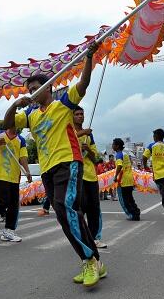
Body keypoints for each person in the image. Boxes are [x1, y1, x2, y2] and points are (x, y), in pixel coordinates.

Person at [3, 40, 106, 288]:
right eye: (30, 90)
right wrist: (14, 105)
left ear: (48, 87)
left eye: (37, 88)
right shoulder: (31, 115)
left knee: (65, 208)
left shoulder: (63, 104)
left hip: (68, 162)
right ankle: (95, 261)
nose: (33, 92)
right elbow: (8, 125)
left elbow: (83, 84)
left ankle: (89, 260)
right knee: (63, 214)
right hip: (48, 169)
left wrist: (89, 58)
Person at [0, 128, 32, 242]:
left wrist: (27, 171)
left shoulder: (21, 140)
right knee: (3, 201)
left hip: (14, 177)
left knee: (14, 205)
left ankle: (9, 232)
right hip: (1, 175)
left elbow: (23, 157)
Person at [73, 106, 106, 248]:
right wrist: (81, 134)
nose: (80, 116)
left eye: (82, 114)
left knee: (94, 207)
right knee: (80, 207)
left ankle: (94, 238)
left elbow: (95, 159)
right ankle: (80, 236)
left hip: (90, 176)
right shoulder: (70, 131)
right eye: (77, 114)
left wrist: (88, 150)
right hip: (76, 175)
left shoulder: (89, 135)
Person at [112, 138, 140, 221]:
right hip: (129, 178)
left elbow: (119, 166)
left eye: (113, 144)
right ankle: (136, 212)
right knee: (130, 198)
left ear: (117, 146)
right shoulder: (125, 154)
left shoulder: (119, 154)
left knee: (125, 200)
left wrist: (115, 176)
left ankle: (133, 215)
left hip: (124, 179)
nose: (112, 146)